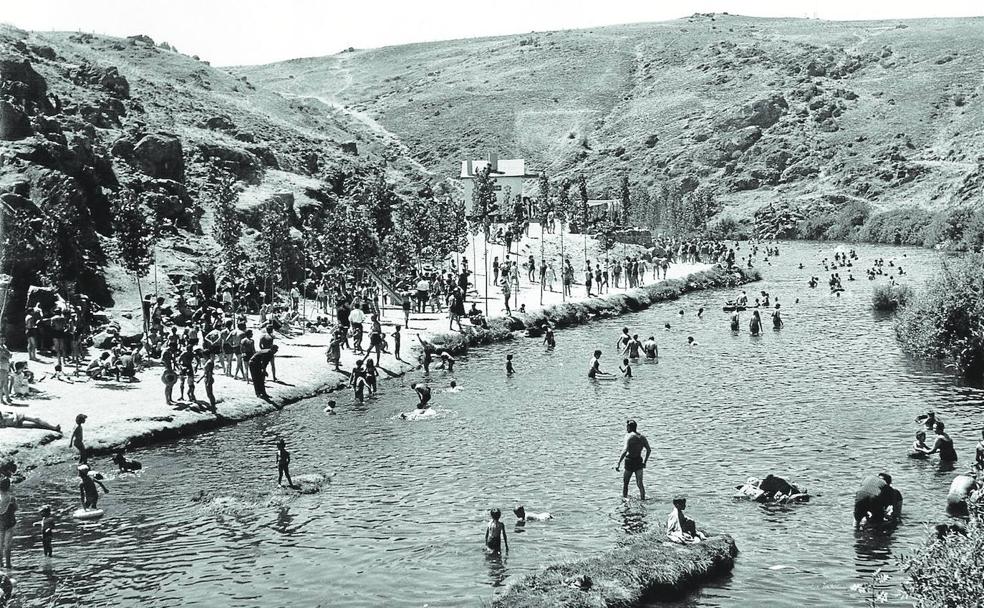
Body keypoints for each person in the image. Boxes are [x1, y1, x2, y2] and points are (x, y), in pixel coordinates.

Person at [615, 420, 651, 500]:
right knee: (640, 483)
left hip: (630, 461)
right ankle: (643, 499)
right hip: (638, 461)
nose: (626, 428)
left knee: (626, 483)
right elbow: (649, 450)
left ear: (629, 427)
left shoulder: (629, 437)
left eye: (627, 427)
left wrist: (618, 463)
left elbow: (625, 450)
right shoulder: (642, 437)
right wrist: (645, 462)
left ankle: (624, 500)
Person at [0, 478, 14, 568]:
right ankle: (8, 564)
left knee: (0, 544)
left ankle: (0, 563)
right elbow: (16, 508)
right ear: (8, 487)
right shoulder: (11, 498)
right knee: (7, 544)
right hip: (9, 522)